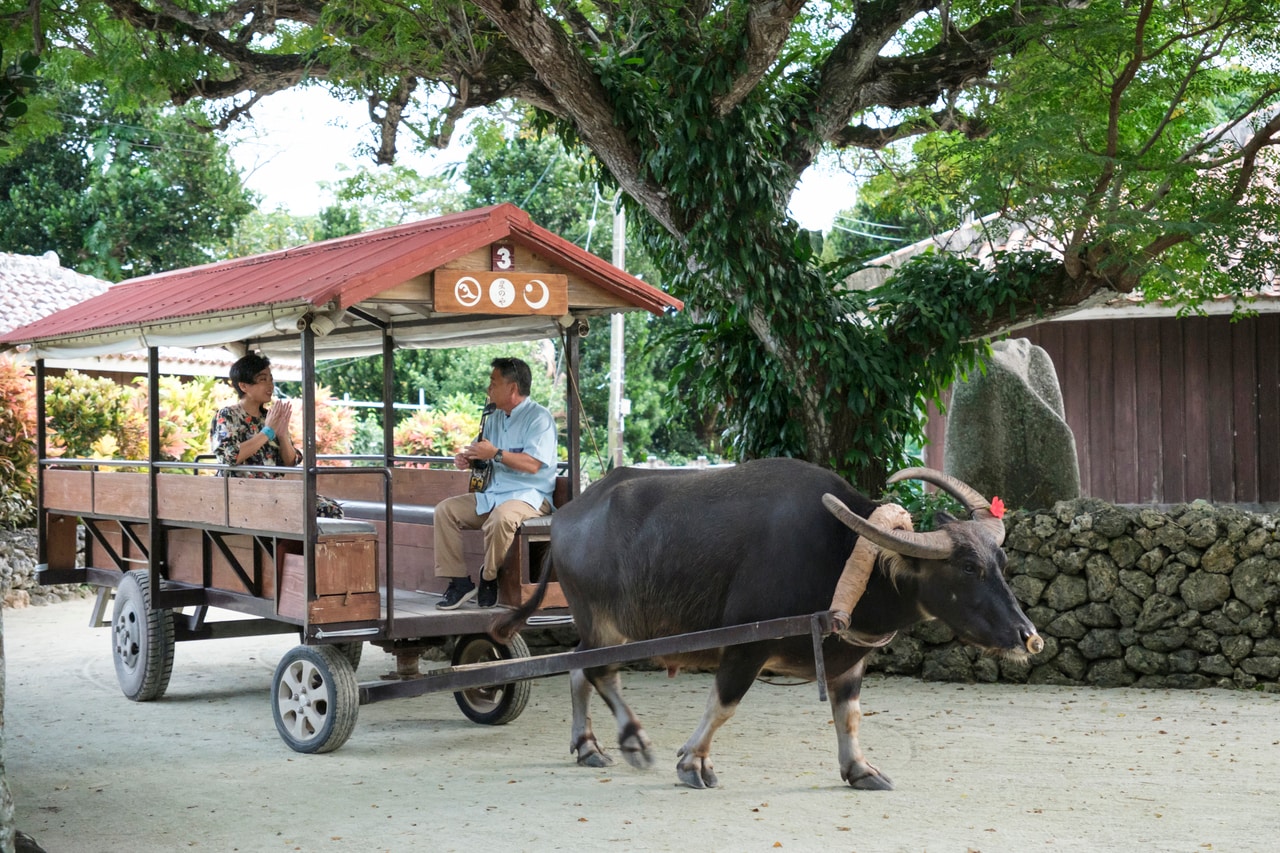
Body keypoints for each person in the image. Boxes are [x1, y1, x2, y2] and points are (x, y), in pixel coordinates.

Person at [435, 356, 557, 609]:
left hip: (530, 496)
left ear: (512, 388)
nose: (488, 389)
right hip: (495, 493)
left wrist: (496, 454)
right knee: (445, 511)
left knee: (501, 518)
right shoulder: (494, 417)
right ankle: (459, 583)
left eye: (493, 382)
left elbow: (533, 464)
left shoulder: (539, 418)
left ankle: (488, 576)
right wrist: (468, 458)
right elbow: (485, 452)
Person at [210, 352, 343, 518]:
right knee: (323, 512)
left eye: (271, 379)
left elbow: (290, 462)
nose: (270, 385)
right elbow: (230, 457)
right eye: (262, 379)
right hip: (241, 493)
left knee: (331, 509)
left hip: (273, 492)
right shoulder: (228, 415)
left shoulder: (270, 417)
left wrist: (282, 436)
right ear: (244, 386)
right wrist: (267, 432)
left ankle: (290, 545)